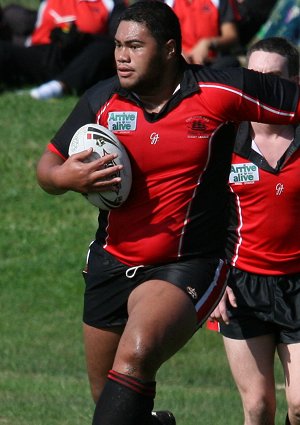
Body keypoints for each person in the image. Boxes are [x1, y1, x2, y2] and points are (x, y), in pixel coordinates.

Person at [36, 2, 300, 424]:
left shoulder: (219, 90)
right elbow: (46, 168)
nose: (122, 55)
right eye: (118, 45)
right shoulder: (103, 99)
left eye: (135, 45)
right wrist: (66, 177)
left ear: (170, 49)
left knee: (136, 354)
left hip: (186, 265)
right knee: (109, 399)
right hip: (110, 262)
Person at [209, 37, 300, 425]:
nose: (262, 87)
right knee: (258, 407)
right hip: (242, 285)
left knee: (299, 404)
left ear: (295, 81)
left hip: (298, 284)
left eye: (274, 78)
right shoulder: (222, 138)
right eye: (254, 77)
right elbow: (199, 219)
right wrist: (211, 280)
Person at [0, 0, 126, 98]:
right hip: (42, 53)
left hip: (82, 58)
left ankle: (57, 88)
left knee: (107, 45)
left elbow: (120, 37)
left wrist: (81, 37)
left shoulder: (112, 4)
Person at [165, 0, 240, 68]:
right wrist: (178, 52)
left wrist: (208, 43)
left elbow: (231, 35)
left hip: (212, 62)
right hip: (180, 63)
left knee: (231, 62)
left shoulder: (220, 1)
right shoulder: (167, 4)